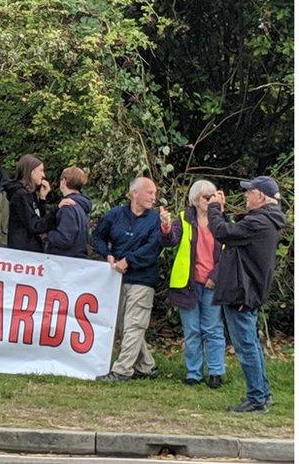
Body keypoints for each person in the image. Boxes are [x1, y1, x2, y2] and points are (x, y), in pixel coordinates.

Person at [207, 176, 285, 412]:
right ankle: (263, 393)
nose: (245, 195)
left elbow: (223, 232)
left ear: (261, 196)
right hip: (247, 289)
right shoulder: (265, 220)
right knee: (251, 344)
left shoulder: (260, 222)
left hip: (243, 291)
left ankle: (257, 398)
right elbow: (234, 232)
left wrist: (214, 208)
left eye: (249, 192)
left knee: (246, 346)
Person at [93, 177, 163, 382]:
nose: (154, 197)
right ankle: (147, 366)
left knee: (134, 324)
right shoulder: (115, 215)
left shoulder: (155, 220)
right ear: (135, 194)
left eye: (154, 193)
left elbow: (153, 248)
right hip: (117, 279)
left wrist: (129, 261)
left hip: (143, 278)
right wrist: (107, 254)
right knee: (124, 325)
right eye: (149, 192)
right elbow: (97, 236)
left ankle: (122, 370)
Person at [158, 179, 225, 389]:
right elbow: (170, 241)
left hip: (212, 283)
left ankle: (215, 371)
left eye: (213, 196)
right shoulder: (183, 218)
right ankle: (193, 372)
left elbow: (228, 253)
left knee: (213, 329)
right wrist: (166, 226)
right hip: (187, 284)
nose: (210, 200)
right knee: (192, 330)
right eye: (207, 197)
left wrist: (215, 276)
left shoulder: (222, 221)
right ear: (196, 199)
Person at [2, 154, 55, 253]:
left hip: (30, 249)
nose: (43, 175)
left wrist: (42, 199)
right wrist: (56, 211)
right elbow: (34, 226)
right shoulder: (21, 195)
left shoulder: (30, 193)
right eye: (41, 170)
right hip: (23, 252)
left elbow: (39, 219)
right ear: (31, 171)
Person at [45, 167, 92, 259]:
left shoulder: (67, 207)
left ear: (64, 181)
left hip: (65, 262)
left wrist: (47, 234)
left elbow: (65, 239)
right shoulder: (81, 205)